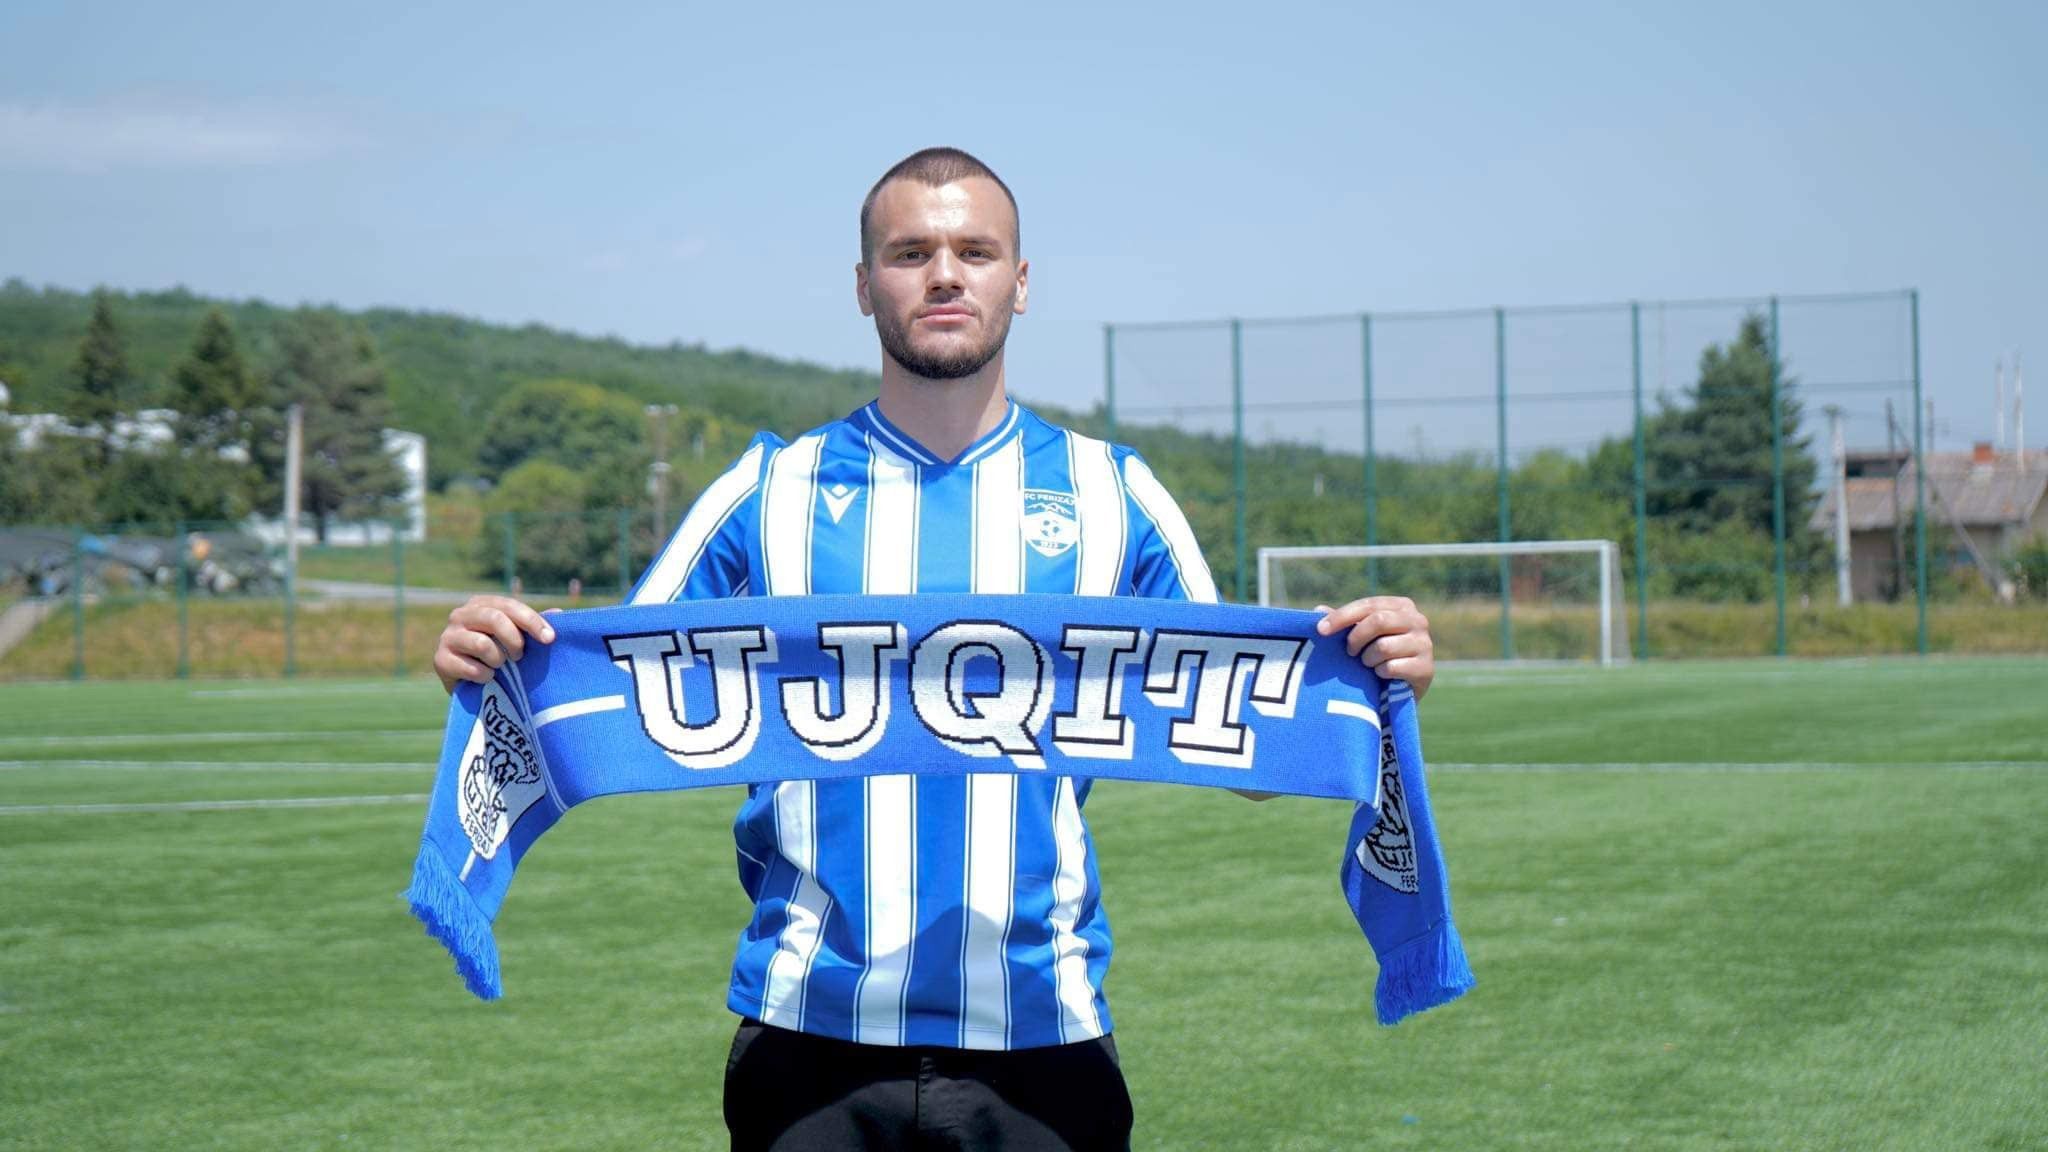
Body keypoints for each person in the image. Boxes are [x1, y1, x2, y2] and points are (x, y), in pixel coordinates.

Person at [432, 147, 1436, 1151]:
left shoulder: (1113, 494)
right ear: (864, 284)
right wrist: (498, 658)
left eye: (975, 251)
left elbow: (1246, 749)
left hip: (1042, 1036)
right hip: (806, 1035)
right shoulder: (766, 492)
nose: (945, 275)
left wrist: (1367, 675)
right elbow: (610, 691)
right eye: (910, 252)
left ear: (1020, 281)